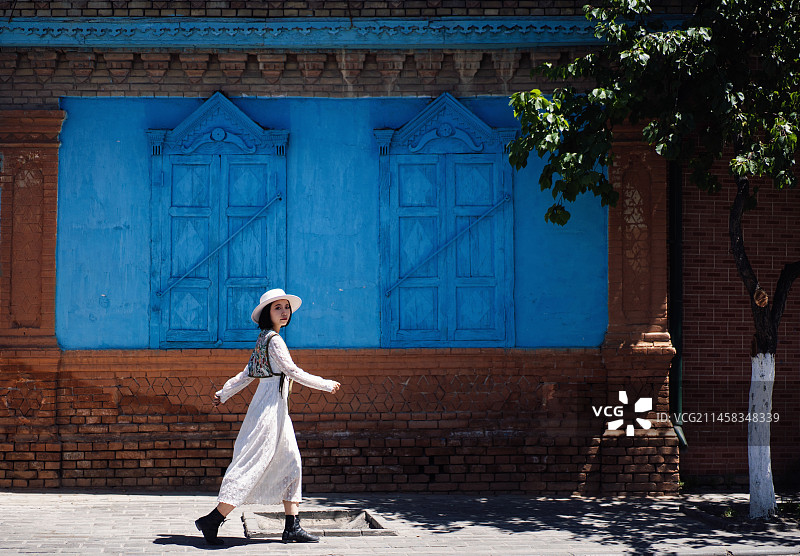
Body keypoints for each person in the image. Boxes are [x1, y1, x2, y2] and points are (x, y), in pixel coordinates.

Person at [195, 288, 341, 545]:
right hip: (269, 411)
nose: (284, 312)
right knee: (252, 464)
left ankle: (292, 526)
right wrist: (325, 384)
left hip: (275, 409)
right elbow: (291, 371)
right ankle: (213, 520)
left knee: (292, 462)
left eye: (286, 307)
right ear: (267, 314)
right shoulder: (273, 341)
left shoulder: (265, 339)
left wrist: (223, 393)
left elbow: (246, 374)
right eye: (278, 308)